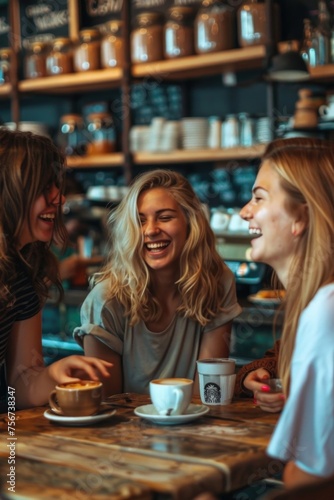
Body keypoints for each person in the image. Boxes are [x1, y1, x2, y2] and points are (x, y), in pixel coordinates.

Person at [74, 169, 241, 396]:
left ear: (190, 223)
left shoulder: (216, 283)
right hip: (126, 430)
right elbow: (108, 405)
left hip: (195, 425)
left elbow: (207, 394)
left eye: (165, 217)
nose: (151, 230)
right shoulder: (106, 301)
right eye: (140, 221)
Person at [238, 137, 334, 487]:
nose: (245, 211)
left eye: (259, 197)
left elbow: (308, 480)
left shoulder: (325, 312)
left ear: (301, 217)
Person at [0, 129, 112, 413]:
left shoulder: (27, 270)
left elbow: (18, 386)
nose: (59, 199)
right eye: (44, 187)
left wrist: (52, 376)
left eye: (56, 186)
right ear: (9, 191)